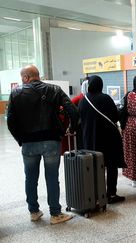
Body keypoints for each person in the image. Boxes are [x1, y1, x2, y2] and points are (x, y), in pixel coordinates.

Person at [7, 65, 78, 224]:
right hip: (51, 140)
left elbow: (10, 121)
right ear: (37, 76)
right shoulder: (54, 89)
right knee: (52, 177)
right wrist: (70, 129)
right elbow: (73, 110)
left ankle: (34, 211)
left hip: (28, 143)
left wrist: (21, 138)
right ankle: (55, 214)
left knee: (30, 178)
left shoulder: (15, 93)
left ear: (26, 77)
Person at [79, 75, 127, 204]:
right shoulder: (105, 98)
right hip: (108, 139)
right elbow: (116, 117)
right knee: (111, 166)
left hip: (90, 139)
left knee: (94, 167)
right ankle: (111, 194)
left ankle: (95, 194)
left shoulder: (83, 101)